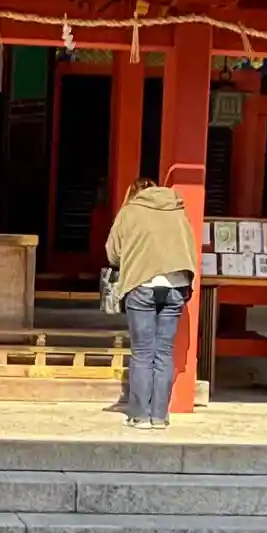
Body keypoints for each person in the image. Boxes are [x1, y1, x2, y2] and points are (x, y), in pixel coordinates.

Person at [105, 178, 199, 429]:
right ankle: (159, 416)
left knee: (142, 353)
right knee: (164, 352)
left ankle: (140, 416)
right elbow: (190, 248)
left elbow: (113, 253)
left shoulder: (130, 212)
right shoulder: (177, 210)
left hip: (142, 284)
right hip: (176, 286)